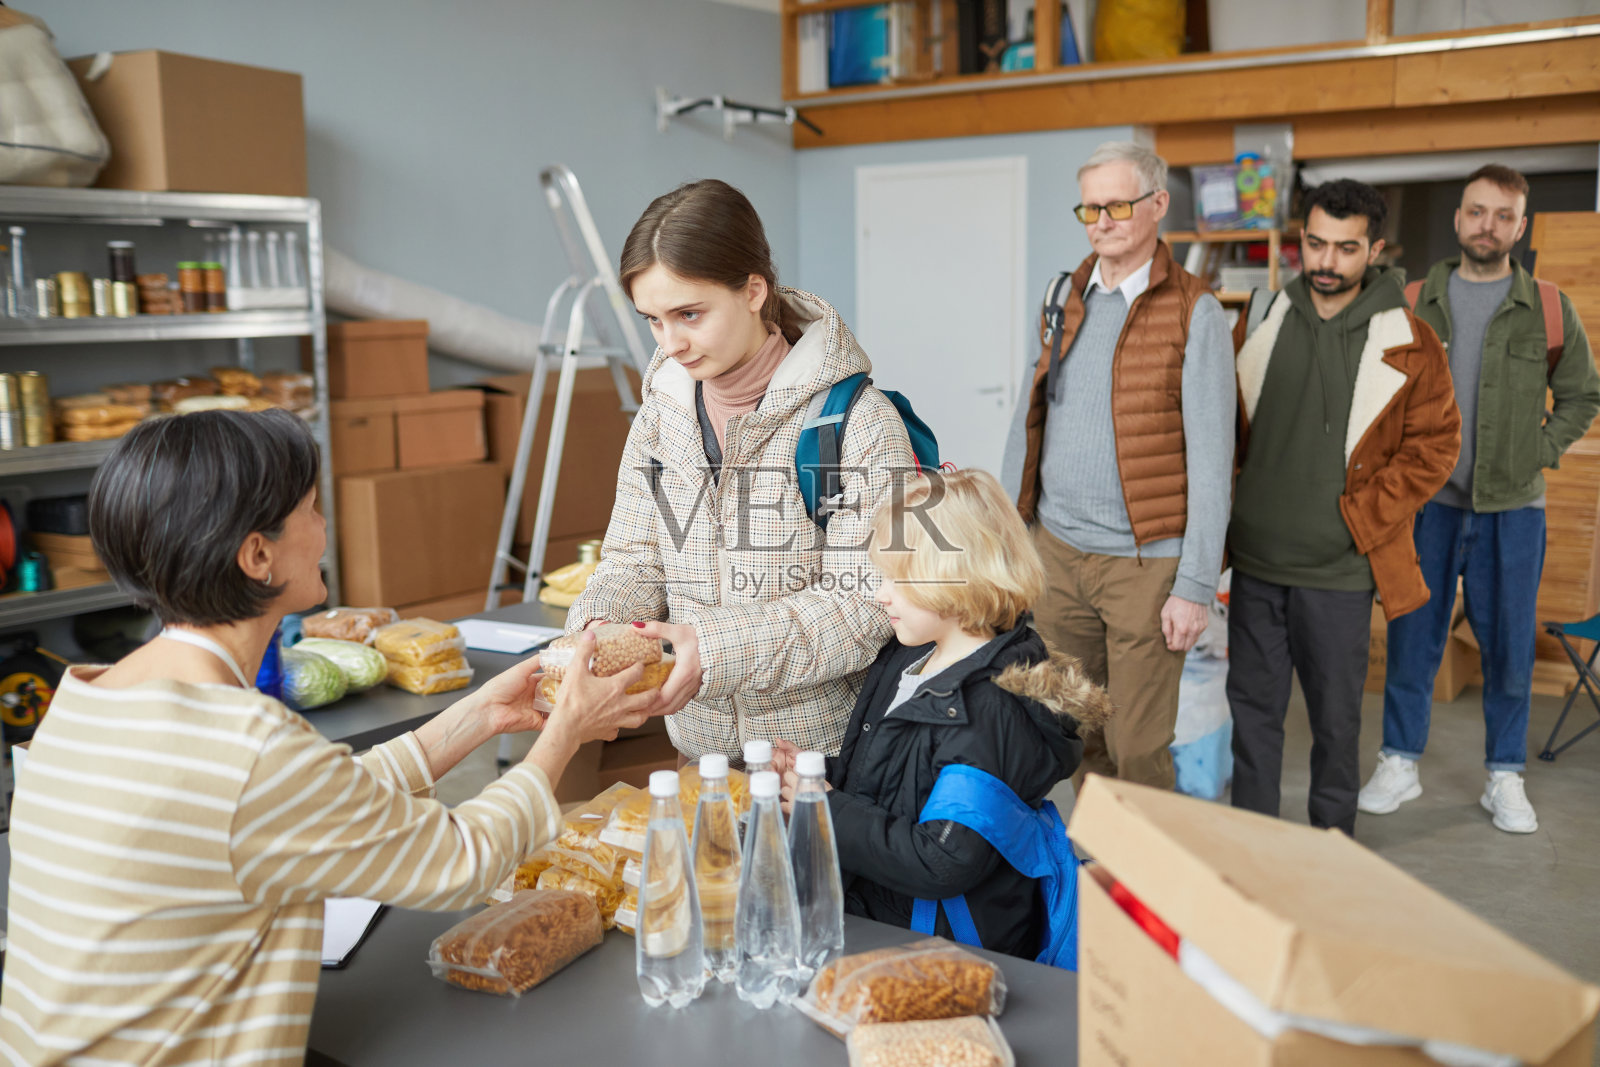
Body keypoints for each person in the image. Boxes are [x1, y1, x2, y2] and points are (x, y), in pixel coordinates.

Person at [0, 410, 659, 1067]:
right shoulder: (246, 745)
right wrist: (568, 726)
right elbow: (465, 859)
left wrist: (476, 716)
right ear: (257, 554)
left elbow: (305, 801)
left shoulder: (88, 699)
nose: (323, 527)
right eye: (312, 508)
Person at [566, 178, 917, 762]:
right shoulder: (659, 420)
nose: (670, 343)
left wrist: (712, 651)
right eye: (653, 320)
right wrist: (603, 624)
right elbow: (635, 559)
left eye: (689, 314)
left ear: (754, 291)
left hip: (820, 762)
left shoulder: (858, 425)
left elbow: (862, 605)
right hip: (697, 751)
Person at [772, 470, 1111, 960]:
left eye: (899, 580)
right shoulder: (909, 658)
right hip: (879, 912)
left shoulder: (991, 711)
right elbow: (897, 774)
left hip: (942, 947)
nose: (880, 594)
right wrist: (814, 773)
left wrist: (828, 807)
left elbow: (944, 860)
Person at [1359, 164, 1600, 833]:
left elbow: (1582, 394)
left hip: (1513, 509)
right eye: (1476, 211)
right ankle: (1399, 761)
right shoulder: (1411, 299)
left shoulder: (1547, 306)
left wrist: (1540, 450)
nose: (1486, 225)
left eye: (1502, 215)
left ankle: (1504, 775)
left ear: (1519, 227)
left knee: (1508, 646)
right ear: (1459, 219)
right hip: (1426, 503)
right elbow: (1373, 393)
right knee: (1414, 635)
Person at [1228, 179, 1460, 835]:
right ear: (1301, 239)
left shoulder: (1412, 338)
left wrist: (1361, 516)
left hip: (1339, 569)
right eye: (1316, 244)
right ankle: (1252, 844)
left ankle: (1333, 847)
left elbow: (1436, 445)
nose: (1327, 262)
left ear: (1375, 249)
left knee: (1334, 720)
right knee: (1252, 714)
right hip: (1255, 562)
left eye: (1346, 248)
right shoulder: (1264, 314)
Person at [1001, 140, 1235, 791]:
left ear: (1158, 205)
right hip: (1059, 553)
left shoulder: (1197, 311)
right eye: (1089, 208)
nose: (1101, 221)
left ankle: (1142, 879)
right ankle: (1101, 863)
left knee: (1137, 742)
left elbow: (1214, 462)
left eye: (1117, 205)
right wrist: (1013, 538)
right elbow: (1030, 418)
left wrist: (1194, 585)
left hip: (1147, 565)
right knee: (1076, 727)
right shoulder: (1061, 297)